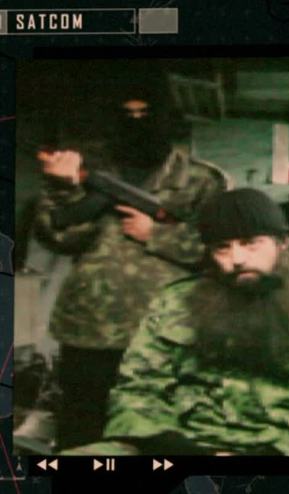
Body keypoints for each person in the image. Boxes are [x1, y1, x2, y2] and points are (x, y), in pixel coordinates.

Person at [60, 188, 289, 456]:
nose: (236, 258)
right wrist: (175, 447)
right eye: (222, 248)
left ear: (283, 243)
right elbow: (138, 388)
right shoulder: (176, 301)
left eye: (251, 244)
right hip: (182, 446)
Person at [29, 76, 231, 451]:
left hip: (167, 331)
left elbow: (225, 252)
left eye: (146, 113)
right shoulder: (86, 173)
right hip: (90, 328)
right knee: (83, 429)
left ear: (168, 118)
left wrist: (156, 234)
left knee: (159, 433)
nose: (137, 121)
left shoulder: (201, 180)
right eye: (127, 114)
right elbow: (57, 237)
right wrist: (65, 189)